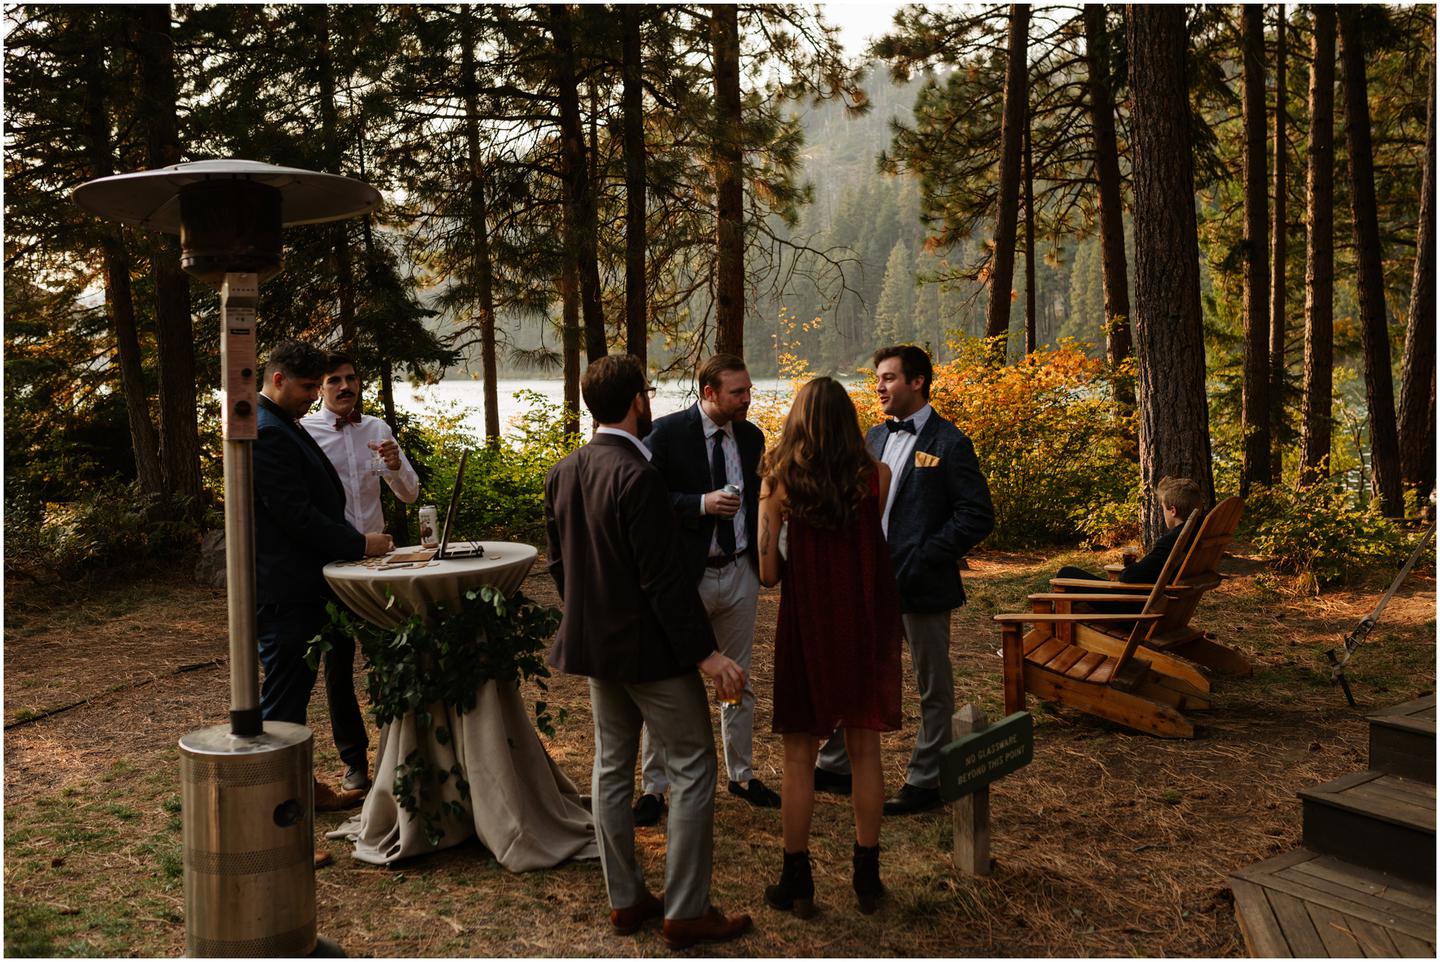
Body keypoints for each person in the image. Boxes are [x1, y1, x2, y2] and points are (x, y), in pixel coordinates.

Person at [544, 354, 753, 950]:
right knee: (693, 765)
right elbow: (662, 580)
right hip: (649, 652)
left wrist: (589, 614)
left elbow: (559, 563)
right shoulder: (639, 476)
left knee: (612, 767)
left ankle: (626, 898)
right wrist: (707, 655)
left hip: (596, 646)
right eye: (648, 392)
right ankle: (686, 911)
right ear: (639, 400)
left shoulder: (564, 470)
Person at [814, 345, 994, 816]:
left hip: (922, 582)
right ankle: (835, 764)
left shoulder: (950, 442)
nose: (879, 387)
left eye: (889, 378)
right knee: (856, 671)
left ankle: (926, 778)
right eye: (878, 378)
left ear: (917, 382)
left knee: (931, 683)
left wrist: (924, 556)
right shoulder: (873, 437)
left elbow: (976, 515)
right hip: (868, 579)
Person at [755, 377, 904, 917]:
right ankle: (867, 877)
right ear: (847, 421)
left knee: (799, 756)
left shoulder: (778, 482)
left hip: (807, 621)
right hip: (864, 618)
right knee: (866, 752)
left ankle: (797, 880)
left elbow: (768, 573)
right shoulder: (877, 476)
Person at [632, 354, 778, 828]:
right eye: (738, 392)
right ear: (709, 393)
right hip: (686, 579)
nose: (747, 399)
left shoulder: (752, 437)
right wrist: (700, 503)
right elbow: (647, 500)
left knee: (738, 678)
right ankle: (654, 787)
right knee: (669, 681)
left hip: (739, 572)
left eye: (749, 389)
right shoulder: (668, 433)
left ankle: (742, 775)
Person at [253, 341, 393, 814]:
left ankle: (296, 789)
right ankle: (277, 811)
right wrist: (359, 544)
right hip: (287, 589)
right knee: (283, 705)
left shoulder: (281, 422)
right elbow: (295, 514)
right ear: (278, 379)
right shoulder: (268, 430)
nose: (315, 396)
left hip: (301, 586)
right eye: (309, 386)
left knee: (291, 698)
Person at [300, 352, 421, 792]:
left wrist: (396, 465)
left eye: (351, 378)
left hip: (376, 567)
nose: (345, 386)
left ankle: (399, 754)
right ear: (320, 387)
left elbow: (409, 495)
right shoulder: (305, 433)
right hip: (330, 567)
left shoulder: (376, 429)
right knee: (338, 666)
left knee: (389, 656)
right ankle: (354, 761)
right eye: (334, 380)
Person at [1056, 476, 1204, 587]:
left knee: (1066, 573)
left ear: (1172, 511)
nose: (1162, 513)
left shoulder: (1172, 541)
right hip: (1159, 600)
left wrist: (1131, 568)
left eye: (1163, 508)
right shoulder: (1199, 534)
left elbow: (1129, 576)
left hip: (1134, 605)